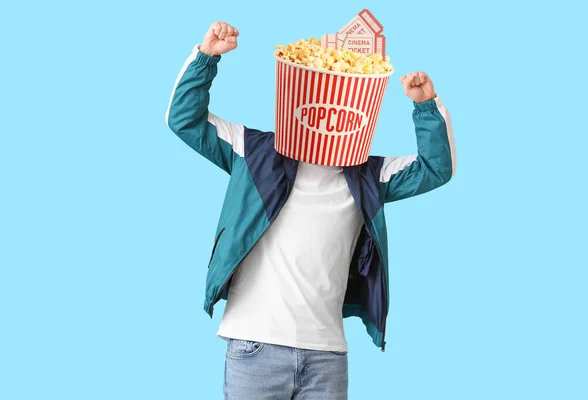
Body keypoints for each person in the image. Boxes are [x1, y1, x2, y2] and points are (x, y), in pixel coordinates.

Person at [165, 21, 456, 400]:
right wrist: (206, 59)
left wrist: (425, 106)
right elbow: (184, 120)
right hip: (255, 347)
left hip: (327, 357)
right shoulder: (251, 152)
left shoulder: (368, 175)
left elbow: (434, 169)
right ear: (298, 95)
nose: (330, 112)